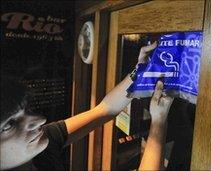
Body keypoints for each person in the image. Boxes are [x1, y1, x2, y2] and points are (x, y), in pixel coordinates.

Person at [0, 42, 173, 170]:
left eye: (27, 110)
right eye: (9, 124)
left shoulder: (40, 144)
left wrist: (139, 72)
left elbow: (104, 110)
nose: (39, 120)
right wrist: (159, 122)